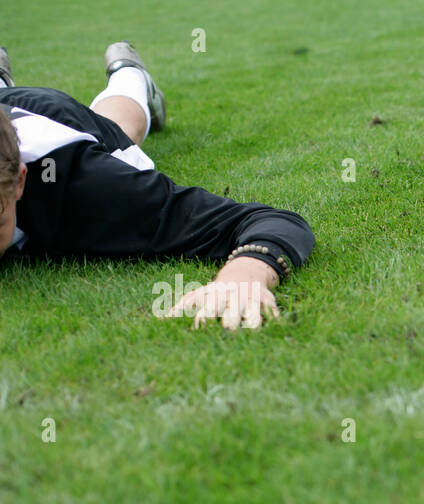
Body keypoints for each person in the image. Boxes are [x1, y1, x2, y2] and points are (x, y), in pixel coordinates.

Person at [0, 41, 315, 330]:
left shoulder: (85, 183)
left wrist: (244, 274)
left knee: (118, 129)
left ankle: (130, 77)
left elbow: (269, 221)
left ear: (20, 183)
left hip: (57, 120)